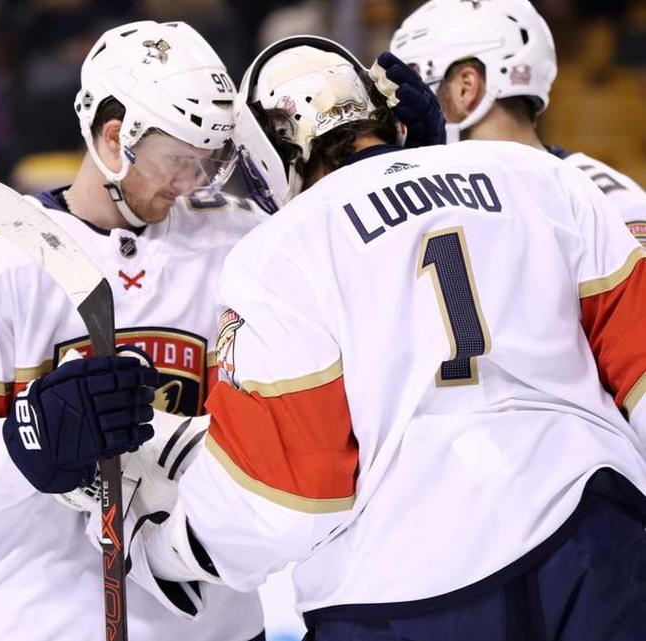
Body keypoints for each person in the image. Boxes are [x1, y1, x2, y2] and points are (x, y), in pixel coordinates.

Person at [47, 35, 646, 640]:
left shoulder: (282, 248)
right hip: (597, 535)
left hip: (404, 585)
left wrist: (159, 551)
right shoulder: (545, 178)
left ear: (267, 155)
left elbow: (284, 500)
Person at [0, 20, 268, 641]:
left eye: (206, 162)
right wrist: (32, 439)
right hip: (38, 618)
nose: (191, 183)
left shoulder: (238, 238)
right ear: (112, 136)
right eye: (177, 161)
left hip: (213, 624)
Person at [389, 0, 646, 247]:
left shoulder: (607, 204)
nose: (411, 111)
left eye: (421, 91)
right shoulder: (601, 200)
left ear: (466, 88)